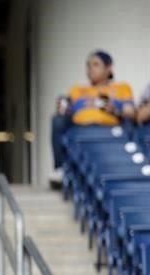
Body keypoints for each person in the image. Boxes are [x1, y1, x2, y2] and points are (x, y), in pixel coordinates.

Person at [50, 50, 135, 186]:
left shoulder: (121, 88)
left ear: (108, 68)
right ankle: (60, 168)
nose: (90, 69)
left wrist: (115, 109)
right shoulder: (77, 89)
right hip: (80, 130)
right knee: (57, 120)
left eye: (96, 64)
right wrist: (62, 108)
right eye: (88, 65)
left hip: (111, 130)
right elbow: (65, 110)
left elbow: (131, 112)